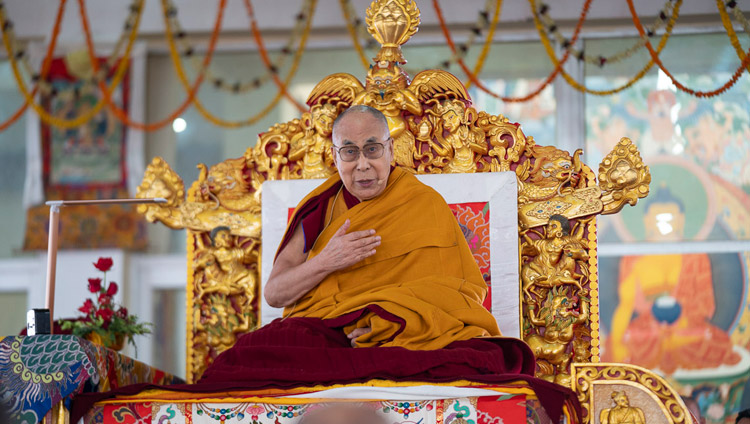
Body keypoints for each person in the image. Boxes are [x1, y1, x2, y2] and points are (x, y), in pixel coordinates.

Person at [262, 104, 500, 350]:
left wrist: (394, 324)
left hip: (404, 338)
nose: (362, 165)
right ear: (335, 157)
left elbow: (463, 297)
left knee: (480, 354)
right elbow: (275, 294)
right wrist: (326, 261)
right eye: (350, 152)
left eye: (372, 149)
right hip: (329, 331)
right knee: (256, 349)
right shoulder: (321, 208)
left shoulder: (425, 204)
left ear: (391, 150)